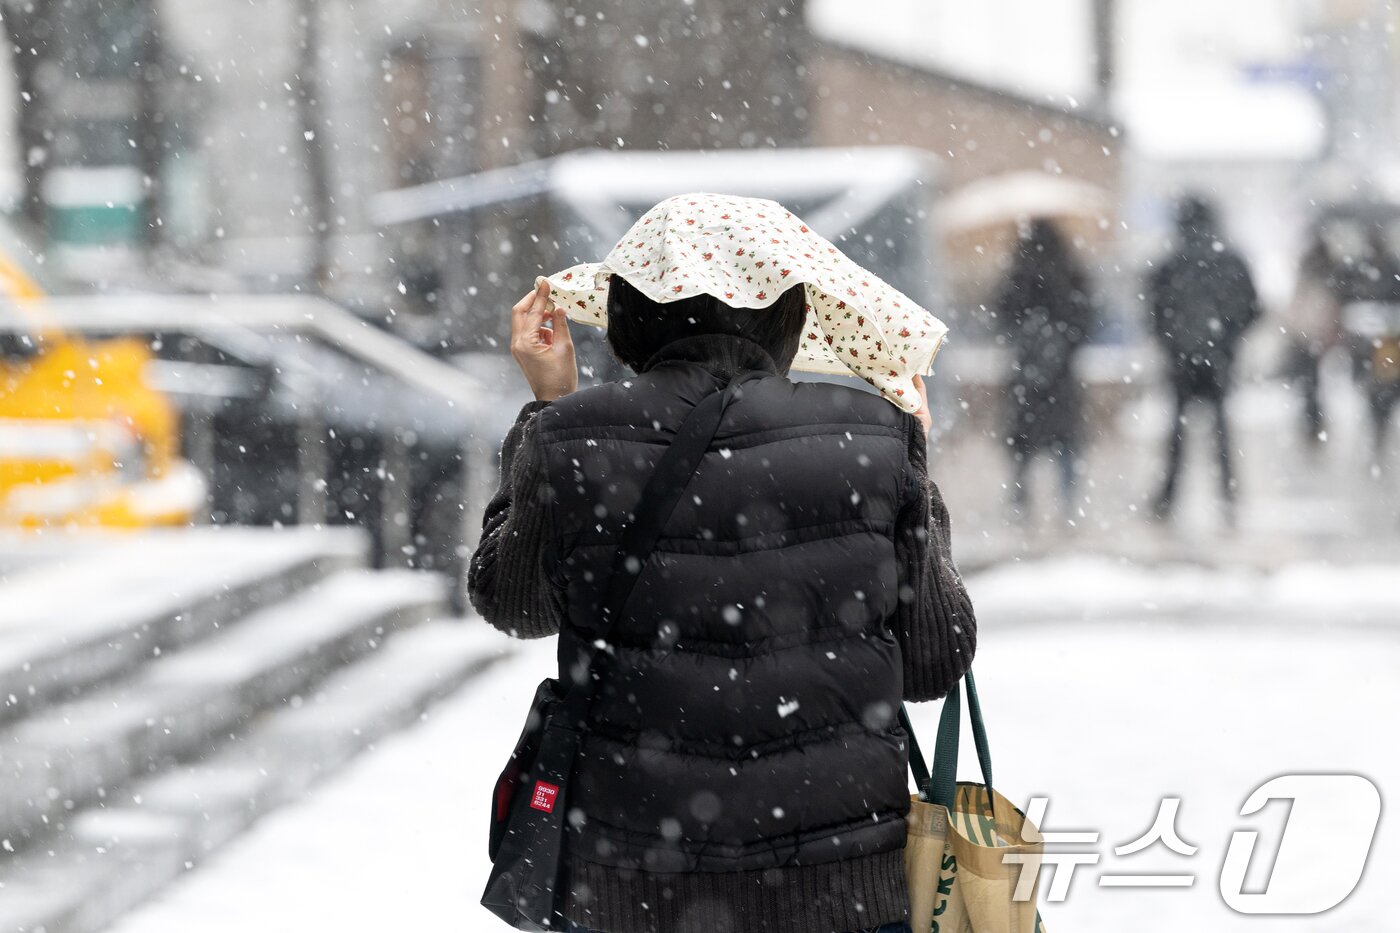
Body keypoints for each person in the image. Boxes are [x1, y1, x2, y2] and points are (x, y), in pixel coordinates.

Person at [467, 272, 976, 933]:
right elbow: (935, 659)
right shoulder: (875, 435)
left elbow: (513, 602)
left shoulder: (571, 436)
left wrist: (546, 405)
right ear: (789, 315)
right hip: (840, 889)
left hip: (632, 887)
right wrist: (912, 464)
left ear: (628, 314)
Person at [1147, 195, 1261, 526]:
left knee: (1176, 431)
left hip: (1181, 359)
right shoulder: (1231, 259)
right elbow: (1253, 307)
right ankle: (1228, 493)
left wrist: (1172, 342)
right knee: (1222, 429)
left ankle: (1167, 496)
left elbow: (1154, 310)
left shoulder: (1171, 261)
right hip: (1219, 358)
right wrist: (1228, 340)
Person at [994, 218, 1094, 522]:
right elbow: (1086, 318)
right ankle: (1068, 501)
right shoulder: (1071, 273)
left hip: (1025, 371)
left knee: (1024, 439)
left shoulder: (1019, 272)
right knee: (1066, 439)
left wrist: (1025, 340)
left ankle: (1021, 500)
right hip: (1063, 373)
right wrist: (1065, 343)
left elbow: (1001, 314)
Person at [1282, 233, 1341, 447]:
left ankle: (1311, 422)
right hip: (1316, 334)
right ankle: (1314, 422)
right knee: (1312, 383)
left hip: (1304, 334)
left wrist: (1293, 329)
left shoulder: (1308, 276)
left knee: (1307, 383)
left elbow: (1296, 305)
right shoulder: (1330, 277)